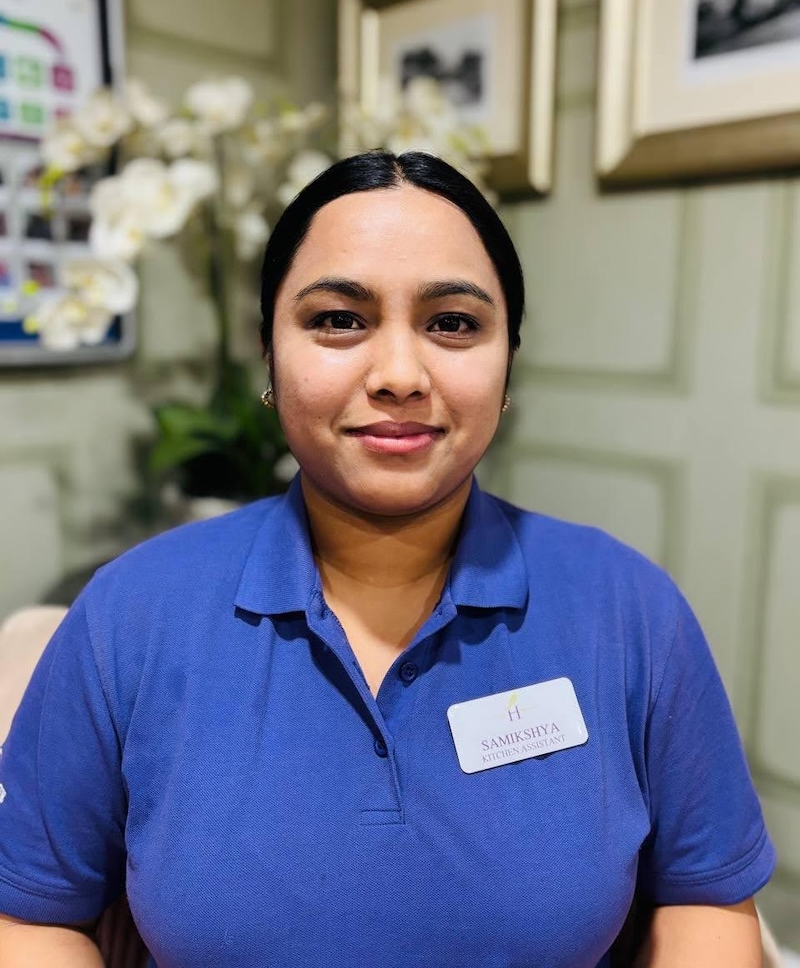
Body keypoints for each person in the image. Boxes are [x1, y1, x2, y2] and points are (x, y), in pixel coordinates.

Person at [0, 151, 775, 966]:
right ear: (269, 349)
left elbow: (706, 898)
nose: (400, 375)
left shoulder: (631, 611)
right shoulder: (131, 611)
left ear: (508, 361)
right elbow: (28, 914)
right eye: (339, 318)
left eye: (453, 323)